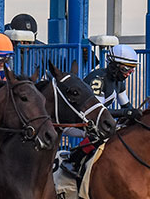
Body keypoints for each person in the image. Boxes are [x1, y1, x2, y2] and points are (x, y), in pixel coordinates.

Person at [58, 43, 141, 177]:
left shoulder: (119, 82)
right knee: (101, 131)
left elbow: (126, 106)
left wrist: (136, 116)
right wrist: (126, 113)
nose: (129, 73)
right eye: (126, 68)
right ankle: (74, 160)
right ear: (114, 65)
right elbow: (96, 112)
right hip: (73, 120)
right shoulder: (98, 79)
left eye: (132, 69)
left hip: (89, 119)